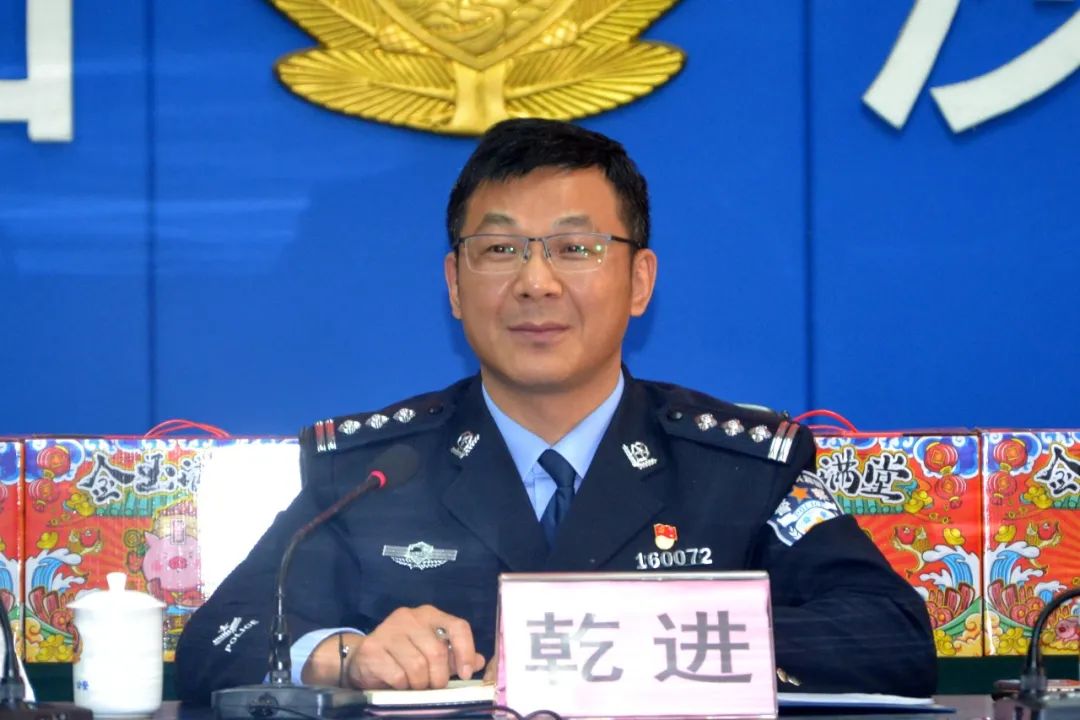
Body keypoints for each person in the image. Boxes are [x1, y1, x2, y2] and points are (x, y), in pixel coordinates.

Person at [176, 119, 935, 703]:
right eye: (500, 250)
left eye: (575, 249)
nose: (536, 283)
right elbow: (221, 639)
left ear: (640, 281)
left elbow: (891, 636)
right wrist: (344, 656)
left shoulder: (739, 467)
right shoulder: (369, 472)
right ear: (454, 284)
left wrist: (644, 640)